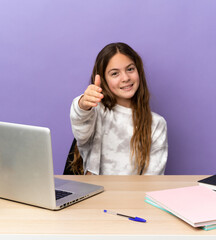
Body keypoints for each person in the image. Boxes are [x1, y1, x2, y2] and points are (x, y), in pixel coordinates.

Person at [70, 42, 168, 175]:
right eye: (115, 73)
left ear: (138, 70)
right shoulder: (96, 112)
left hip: (131, 195)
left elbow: (153, 178)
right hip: (94, 194)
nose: (126, 78)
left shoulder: (156, 124)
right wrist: (83, 104)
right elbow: (80, 124)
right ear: (104, 79)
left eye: (130, 69)